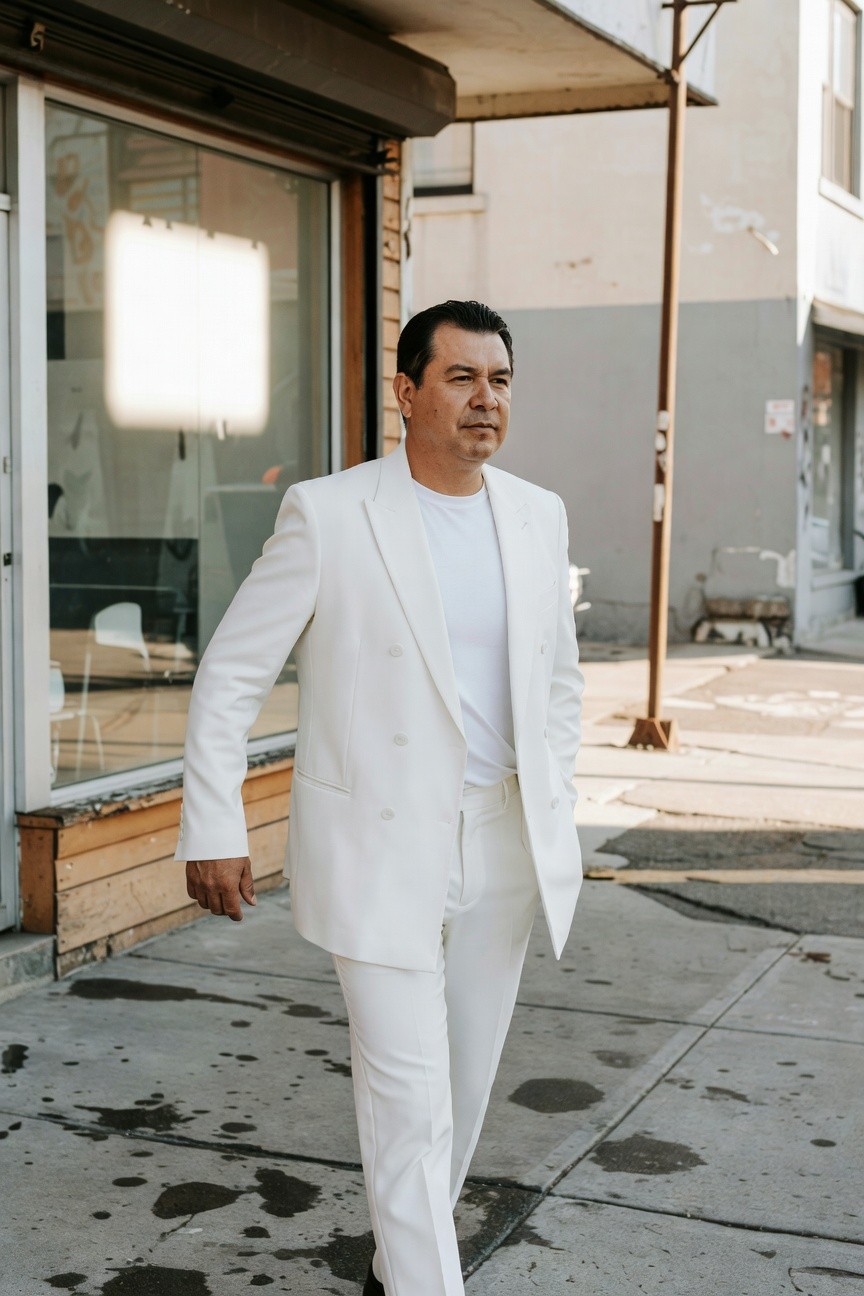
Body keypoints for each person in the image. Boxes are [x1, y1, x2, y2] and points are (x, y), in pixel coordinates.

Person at [175, 299, 584, 1296]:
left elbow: (559, 683)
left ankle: (402, 1259)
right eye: (461, 377)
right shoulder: (330, 513)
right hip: (378, 842)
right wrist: (213, 823)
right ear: (407, 391)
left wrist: (556, 796)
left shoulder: (537, 513)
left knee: (462, 1089)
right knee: (407, 1101)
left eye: (500, 381)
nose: (486, 400)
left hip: (501, 839)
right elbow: (231, 673)